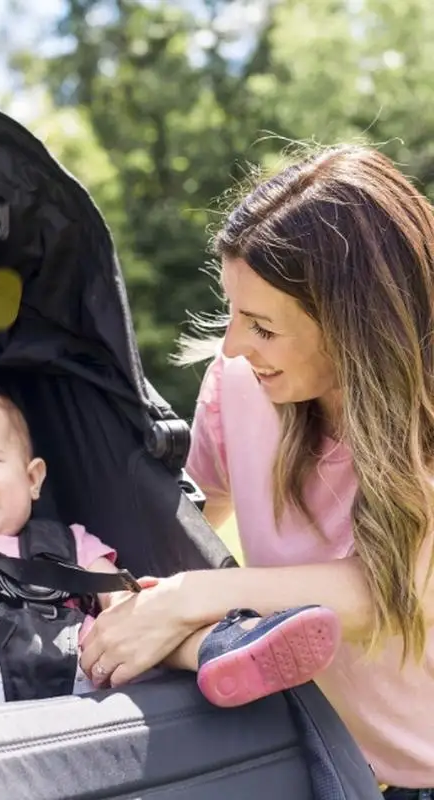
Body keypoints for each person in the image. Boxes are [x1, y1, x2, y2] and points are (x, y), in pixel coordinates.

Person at [77, 145, 434, 799]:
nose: (233, 345)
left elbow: (385, 597)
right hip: (310, 766)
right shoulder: (239, 384)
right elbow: (184, 528)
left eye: (262, 326)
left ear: (355, 328)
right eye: (233, 311)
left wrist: (190, 597)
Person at [0, 382, 339, 777]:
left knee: (148, 615)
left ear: (34, 478)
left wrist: (140, 621)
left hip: (83, 665)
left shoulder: (72, 543)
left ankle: (227, 653)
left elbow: (120, 601)